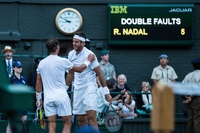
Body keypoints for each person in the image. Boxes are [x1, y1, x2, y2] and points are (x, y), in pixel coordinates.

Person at [35, 37, 95, 133]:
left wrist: (38, 99)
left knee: (51, 124)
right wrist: (88, 60)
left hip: (48, 98)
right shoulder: (63, 61)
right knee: (67, 123)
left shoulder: (41, 63)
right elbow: (79, 69)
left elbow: (38, 82)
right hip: (61, 97)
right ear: (57, 47)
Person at [66, 32, 112, 130]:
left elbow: (99, 74)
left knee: (91, 118)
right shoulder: (70, 54)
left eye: (77, 42)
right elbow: (71, 73)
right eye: (73, 41)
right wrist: (65, 89)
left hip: (90, 88)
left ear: (83, 43)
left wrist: (106, 92)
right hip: (78, 89)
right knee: (81, 120)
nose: (74, 43)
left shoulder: (90, 55)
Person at [7, 61, 27, 133]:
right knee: (10, 124)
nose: (20, 68)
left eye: (21, 67)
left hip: (23, 103)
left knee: (23, 122)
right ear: (14, 68)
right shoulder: (11, 79)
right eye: (18, 67)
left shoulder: (24, 79)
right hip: (14, 104)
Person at [182, 58, 200, 133]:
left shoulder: (188, 75)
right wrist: (191, 98)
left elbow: (182, 87)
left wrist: (185, 97)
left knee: (190, 120)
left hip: (188, 100)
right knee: (197, 120)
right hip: (197, 99)